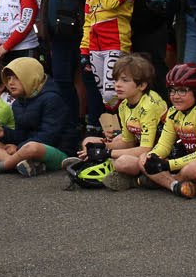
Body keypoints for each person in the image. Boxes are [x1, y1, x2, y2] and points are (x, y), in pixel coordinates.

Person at [0, 56, 73, 178]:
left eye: (16, 77)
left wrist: (18, 147)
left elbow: (49, 136)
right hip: (26, 147)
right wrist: (4, 134)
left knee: (31, 147)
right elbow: (22, 133)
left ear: (30, 77)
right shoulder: (18, 102)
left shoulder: (52, 99)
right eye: (9, 78)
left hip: (58, 151)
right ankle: (27, 165)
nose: (10, 82)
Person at [68, 54, 163, 189]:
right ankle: (98, 163)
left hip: (160, 155)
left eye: (124, 80)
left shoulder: (149, 106)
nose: (117, 85)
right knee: (89, 141)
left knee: (122, 162)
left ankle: (127, 176)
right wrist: (102, 147)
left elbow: (146, 149)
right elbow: (128, 142)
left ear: (142, 85)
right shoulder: (124, 105)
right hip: (141, 148)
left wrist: (107, 152)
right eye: (116, 80)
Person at [135, 63, 196, 195]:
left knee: (192, 169)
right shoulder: (173, 112)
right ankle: (175, 186)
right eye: (172, 90)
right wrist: (154, 157)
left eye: (182, 90)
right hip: (186, 159)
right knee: (143, 158)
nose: (175, 96)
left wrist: (167, 165)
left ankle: (163, 181)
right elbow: (164, 145)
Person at [79, 0, 136, 118]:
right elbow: (88, 20)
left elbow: (110, 3)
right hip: (95, 46)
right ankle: (113, 128)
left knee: (114, 93)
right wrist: (84, 50)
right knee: (106, 95)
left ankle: (128, 124)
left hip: (115, 44)